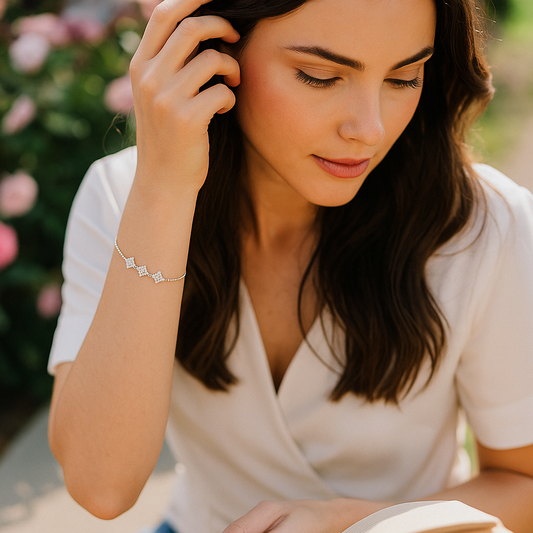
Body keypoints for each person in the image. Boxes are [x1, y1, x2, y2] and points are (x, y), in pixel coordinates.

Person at [47, 0, 533, 532]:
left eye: (404, 77)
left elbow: (523, 486)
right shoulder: (126, 200)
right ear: (214, 54)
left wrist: (356, 523)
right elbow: (101, 485)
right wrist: (164, 192)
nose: (369, 129)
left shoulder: (485, 226)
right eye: (320, 76)